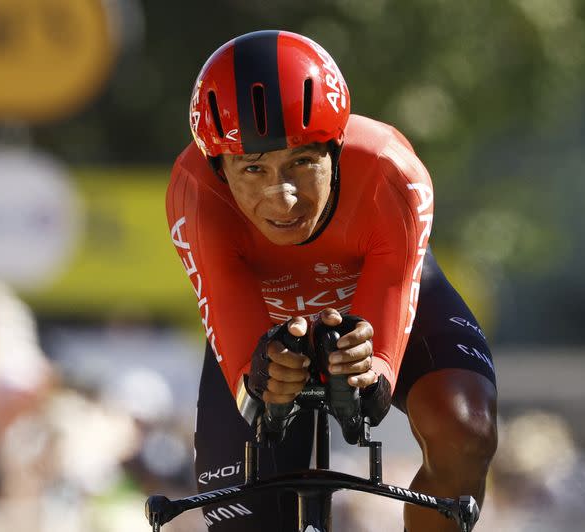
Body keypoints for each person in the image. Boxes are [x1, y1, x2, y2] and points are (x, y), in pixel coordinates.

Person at [166, 30, 497, 532]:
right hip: (267, 321)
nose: (283, 198)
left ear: (336, 147)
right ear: (218, 168)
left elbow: (379, 369)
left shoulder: (390, 169)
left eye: (302, 162)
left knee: (463, 427)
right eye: (253, 169)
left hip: (380, 299)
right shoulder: (194, 192)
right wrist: (260, 381)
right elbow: (238, 337)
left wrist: (373, 372)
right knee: (245, 517)